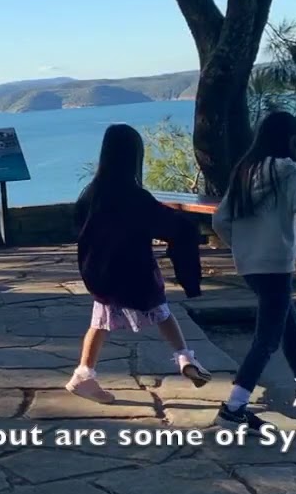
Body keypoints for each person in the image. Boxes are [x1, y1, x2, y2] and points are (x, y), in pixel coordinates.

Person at [211, 110, 296, 431]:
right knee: (267, 339)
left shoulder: (244, 172)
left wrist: (242, 246)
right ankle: (234, 407)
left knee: (288, 323)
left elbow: (220, 220)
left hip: (251, 267)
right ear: (292, 140)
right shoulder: (291, 177)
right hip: (276, 266)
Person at [68, 123, 212, 404]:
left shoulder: (91, 193)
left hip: (102, 274)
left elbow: (78, 228)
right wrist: (189, 231)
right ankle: (184, 357)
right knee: (162, 311)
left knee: (100, 322)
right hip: (135, 274)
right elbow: (170, 224)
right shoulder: (135, 196)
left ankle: (83, 375)